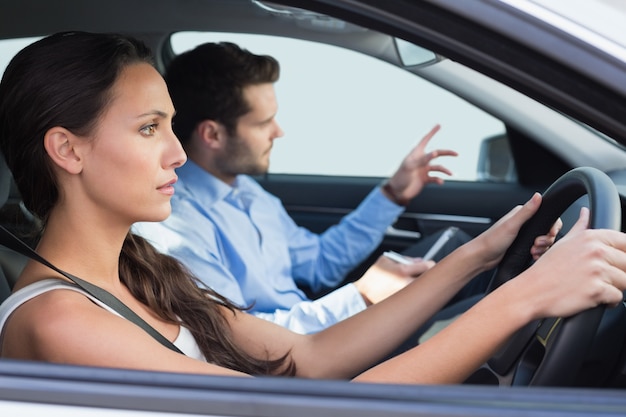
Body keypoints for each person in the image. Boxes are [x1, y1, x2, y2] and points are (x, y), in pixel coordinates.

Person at [1, 31, 624, 384]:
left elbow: (312, 359)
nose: (177, 155)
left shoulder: (137, 268)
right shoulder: (61, 323)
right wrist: (525, 298)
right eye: (148, 129)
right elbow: (304, 410)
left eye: (171, 126)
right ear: (68, 149)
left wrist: (482, 258)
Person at [133, 42, 550, 334]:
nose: (279, 132)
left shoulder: (248, 193)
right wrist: (362, 296)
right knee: (473, 300)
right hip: (302, 354)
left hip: (321, 329)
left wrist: (392, 194)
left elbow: (319, 264)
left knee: (453, 250)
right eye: (263, 123)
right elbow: (240, 340)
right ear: (213, 135)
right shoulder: (176, 225)